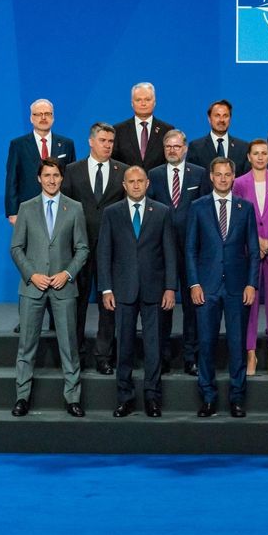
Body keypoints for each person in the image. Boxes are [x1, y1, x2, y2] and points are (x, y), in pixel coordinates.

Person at [9, 158, 88, 417]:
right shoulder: (26, 208)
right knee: (26, 346)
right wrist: (33, 275)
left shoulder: (74, 208)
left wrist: (67, 273)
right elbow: (16, 248)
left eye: (56, 175)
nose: (52, 180)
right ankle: (22, 397)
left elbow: (82, 249)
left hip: (63, 288)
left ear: (62, 178)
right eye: (47, 175)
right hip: (33, 288)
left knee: (69, 345)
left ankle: (73, 398)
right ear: (38, 179)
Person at [98, 166, 177, 418]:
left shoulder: (162, 212)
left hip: (154, 290)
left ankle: (152, 398)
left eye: (139, 181)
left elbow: (170, 253)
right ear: (124, 185)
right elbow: (104, 253)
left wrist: (170, 287)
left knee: (153, 347)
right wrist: (106, 288)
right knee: (125, 346)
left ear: (147, 183)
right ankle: (125, 397)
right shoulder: (112, 213)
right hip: (122, 290)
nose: (135, 185)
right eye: (130, 181)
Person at [187, 157, 260, 418]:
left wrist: (252, 284)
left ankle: (237, 398)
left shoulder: (246, 208)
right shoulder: (197, 207)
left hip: (238, 288)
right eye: (218, 174)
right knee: (205, 344)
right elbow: (190, 250)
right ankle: (208, 397)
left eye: (227, 174)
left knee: (237, 345)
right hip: (206, 288)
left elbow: (253, 251)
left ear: (233, 176)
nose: (222, 179)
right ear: (211, 176)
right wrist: (194, 283)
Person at [61, 124, 127, 374]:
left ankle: (103, 355)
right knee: (75, 304)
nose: (108, 145)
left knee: (108, 305)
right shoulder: (71, 171)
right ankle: (74, 354)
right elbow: (64, 210)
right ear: (91, 141)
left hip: (111, 251)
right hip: (78, 250)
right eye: (103, 140)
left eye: (111, 140)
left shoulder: (122, 171)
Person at [148, 129, 211, 376]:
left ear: (185, 149)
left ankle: (190, 357)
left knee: (192, 308)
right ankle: (162, 357)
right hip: (161, 254)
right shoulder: (153, 175)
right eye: (168, 147)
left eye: (177, 146)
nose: (173, 150)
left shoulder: (199, 173)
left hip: (191, 252)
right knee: (162, 307)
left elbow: (206, 210)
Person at [232, 139, 268, 376]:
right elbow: (237, 217)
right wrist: (255, 242)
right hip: (249, 255)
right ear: (248, 156)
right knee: (250, 306)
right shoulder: (239, 183)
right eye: (256, 153)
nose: (260, 157)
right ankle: (251, 354)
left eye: (264, 153)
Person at [6, 99, 76, 225]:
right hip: (28, 208)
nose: (43, 117)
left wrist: (73, 209)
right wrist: (12, 212)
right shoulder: (18, 145)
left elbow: (72, 178)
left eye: (47, 114)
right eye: (38, 114)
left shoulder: (67, 144)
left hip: (61, 208)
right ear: (31, 118)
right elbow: (12, 179)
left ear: (53, 118)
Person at [111, 82, 174, 170]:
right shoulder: (118, 130)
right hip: (127, 182)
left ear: (154, 102)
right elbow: (113, 162)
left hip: (157, 182)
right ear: (132, 103)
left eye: (147, 99)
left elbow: (171, 162)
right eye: (138, 100)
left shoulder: (167, 130)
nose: (143, 103)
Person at [187, 99, 251, 176]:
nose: (221, 120)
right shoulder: (195, 147)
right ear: (209, 119)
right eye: (217, 115)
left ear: (230, 119)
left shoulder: (243, 147)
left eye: (225, 116)